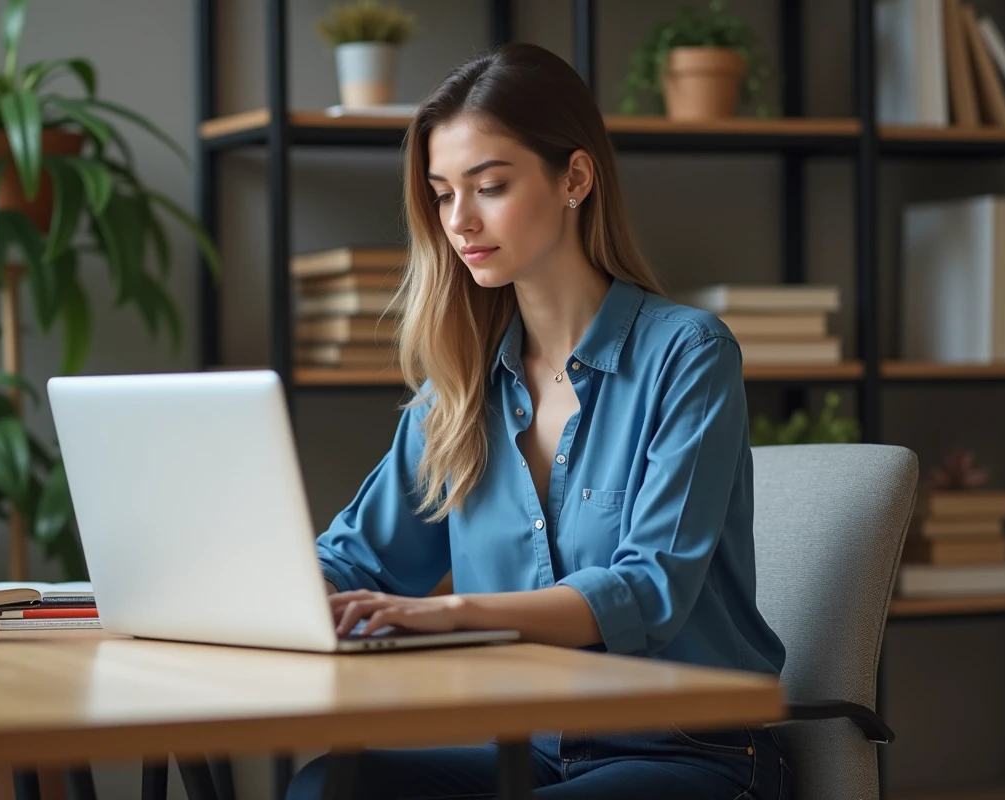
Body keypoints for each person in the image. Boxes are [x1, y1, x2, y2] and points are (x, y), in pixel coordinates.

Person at [287, 42, 792, 800]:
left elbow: (648, 589)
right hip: (528, 751)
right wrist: (259, 595)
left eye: (489, 186)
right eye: (440, 193)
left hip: (684, 753)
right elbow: (357, 561)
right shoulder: (458, 389)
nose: (460, 221)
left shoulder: (687, 355)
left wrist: (449, 614)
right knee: (332, 786)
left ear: (575, 179)